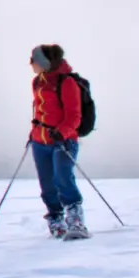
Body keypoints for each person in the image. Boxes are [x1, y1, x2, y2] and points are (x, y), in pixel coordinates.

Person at [28, 43, 88, 239]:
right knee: (47, 184)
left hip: (63, 141)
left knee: (63, 179)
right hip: (40, 141)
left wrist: (61, 132)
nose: (31, 64)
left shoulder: (67, 82)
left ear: (45, 62)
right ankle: (55, 219)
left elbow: (74, 115)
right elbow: (38, 110)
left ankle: (75, 220)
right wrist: (34, 133)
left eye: (34, 60)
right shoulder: (37, 82)